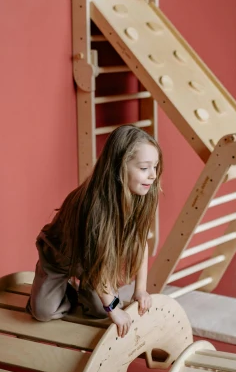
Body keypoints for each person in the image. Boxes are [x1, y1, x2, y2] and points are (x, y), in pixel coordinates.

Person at [27, 125, 162, 338]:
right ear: (119, 167)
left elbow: (139, 242)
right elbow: (94, 260)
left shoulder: (140, 195)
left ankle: (85, 288)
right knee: (43, 312)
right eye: (144, 168)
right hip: (60, 256)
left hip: (93, 263)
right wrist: (113, 309)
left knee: (100, 311)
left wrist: (140, 289)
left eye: (155, 166)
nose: (153, 175)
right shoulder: (93, 205)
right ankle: (61, 288)